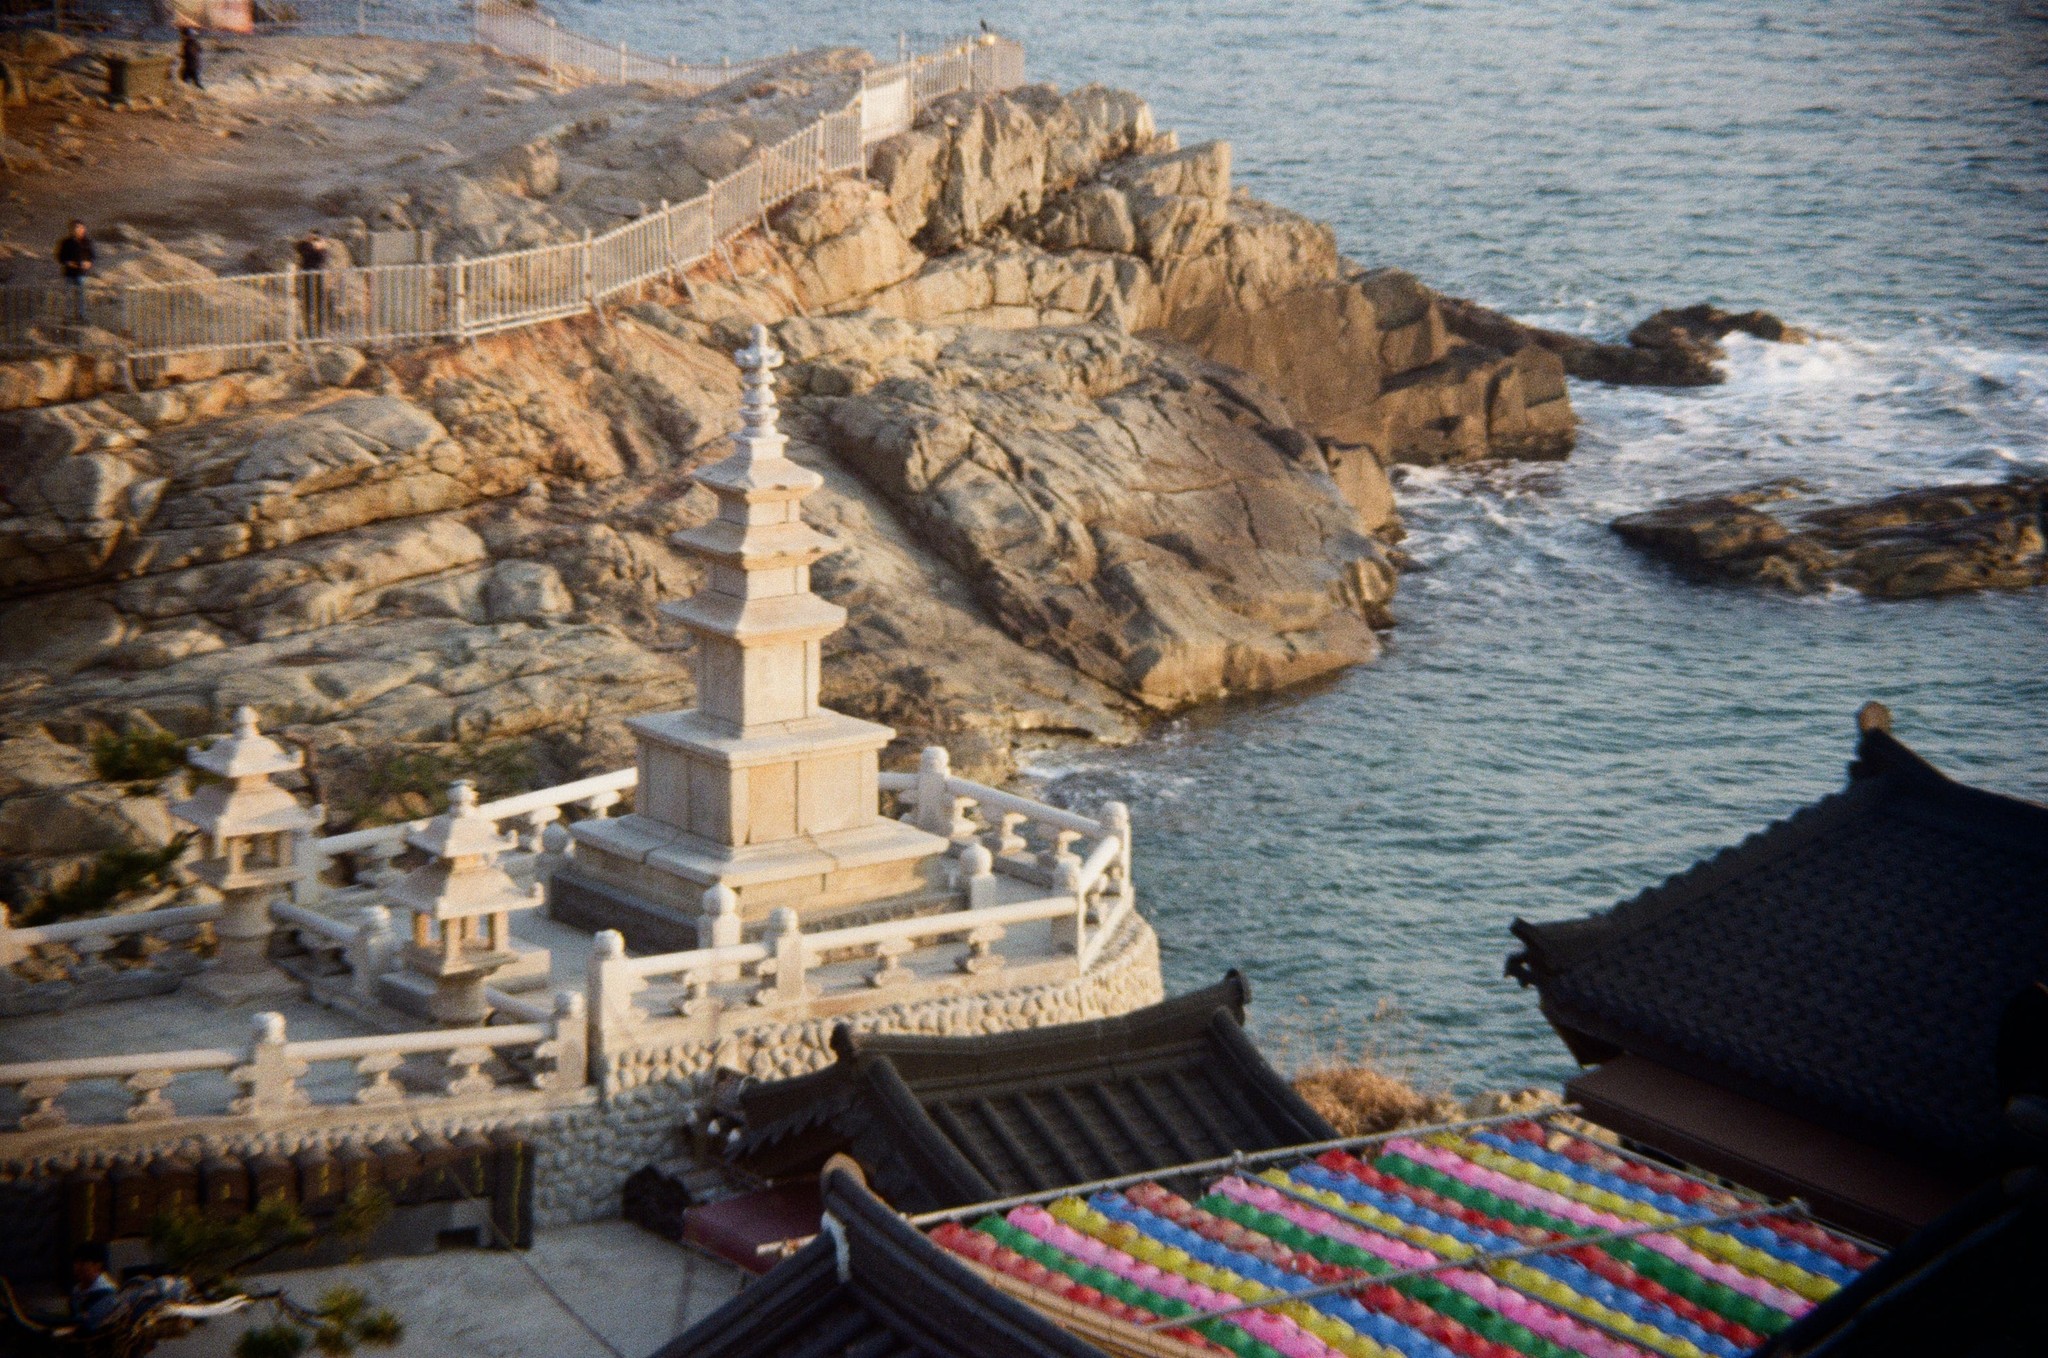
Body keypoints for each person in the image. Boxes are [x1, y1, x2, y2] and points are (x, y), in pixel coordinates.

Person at [69, 1242, 122, 1333]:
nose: (77, 1267)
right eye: (76, 1262)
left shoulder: (108, 1294)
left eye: (83, 1263)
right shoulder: (77, 1290)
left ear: (98, 1265)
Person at [54, 219, 94, 324]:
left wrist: (88, 263)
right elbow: (60, 257)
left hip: (82, 274)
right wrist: (68, 263)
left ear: (84, 229)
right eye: (76, 227)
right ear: (71, 229)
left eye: (80, 227)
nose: (78, 229)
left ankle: (81, 317)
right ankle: (67, 318)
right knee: (68, 296)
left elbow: (93, 256)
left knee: (81, 296)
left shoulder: (88, 242)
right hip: (69, 274)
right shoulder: (66, 242)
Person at [295, 230, 332, 334]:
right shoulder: (307, 248)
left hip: (319, 280)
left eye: (317, 239)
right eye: (313, 239)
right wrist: (307, 240)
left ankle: (320, 332)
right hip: (307, 279)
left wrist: (319, 245)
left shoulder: (324, 251)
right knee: (308, 307)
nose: (314, 241)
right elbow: (298, 248)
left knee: (319, 306)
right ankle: (309, 331)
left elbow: (321, 259)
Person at [179, 26, 203, 90]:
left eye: (184, 35)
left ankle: (204, 94)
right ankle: (202, 93)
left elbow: (189, 53)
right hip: (195, 65)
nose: (183, 37)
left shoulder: (188, 43)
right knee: (194, 81)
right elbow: (200, 50)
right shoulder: (195, 42)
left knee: (185, 80)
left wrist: (182, 56)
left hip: (191, 66)